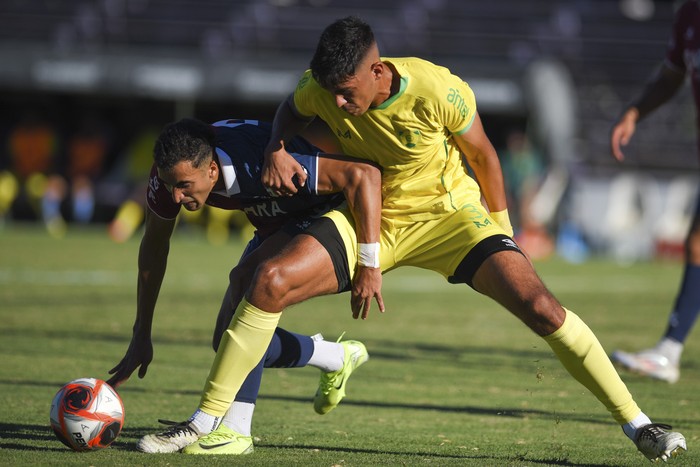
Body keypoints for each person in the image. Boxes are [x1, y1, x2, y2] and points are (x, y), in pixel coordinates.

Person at [146, 17, 687, 462]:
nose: (336, 105)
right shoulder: (322, 90)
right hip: (373, 214)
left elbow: (484, 157)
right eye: (330, 94)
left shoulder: (438, 88)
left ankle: (638, 425)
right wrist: (275, 147)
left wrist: (501, 232)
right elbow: (292, 107)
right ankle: (205, 422)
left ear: (378, 71)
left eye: (347, 93)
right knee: (267, 280)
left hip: (452, 218)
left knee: (543, 308)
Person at [108, 117, 378, 454]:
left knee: (245, 281)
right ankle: (335, 356)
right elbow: (153, 247)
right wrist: (141, 332)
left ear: (210, 170)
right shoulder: (169, 174)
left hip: (329, 212)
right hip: (276, 223)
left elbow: (360, 175)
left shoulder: (258, 160)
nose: (175, 195)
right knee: (227, 341)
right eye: (169, 184)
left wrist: (370, 262)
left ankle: (233, 430)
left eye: (184, 185)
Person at [609, 0, 700, 385]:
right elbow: (670, 76)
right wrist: (634, 112)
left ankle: (669, 351)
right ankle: (669, 350)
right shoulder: (688, 15)